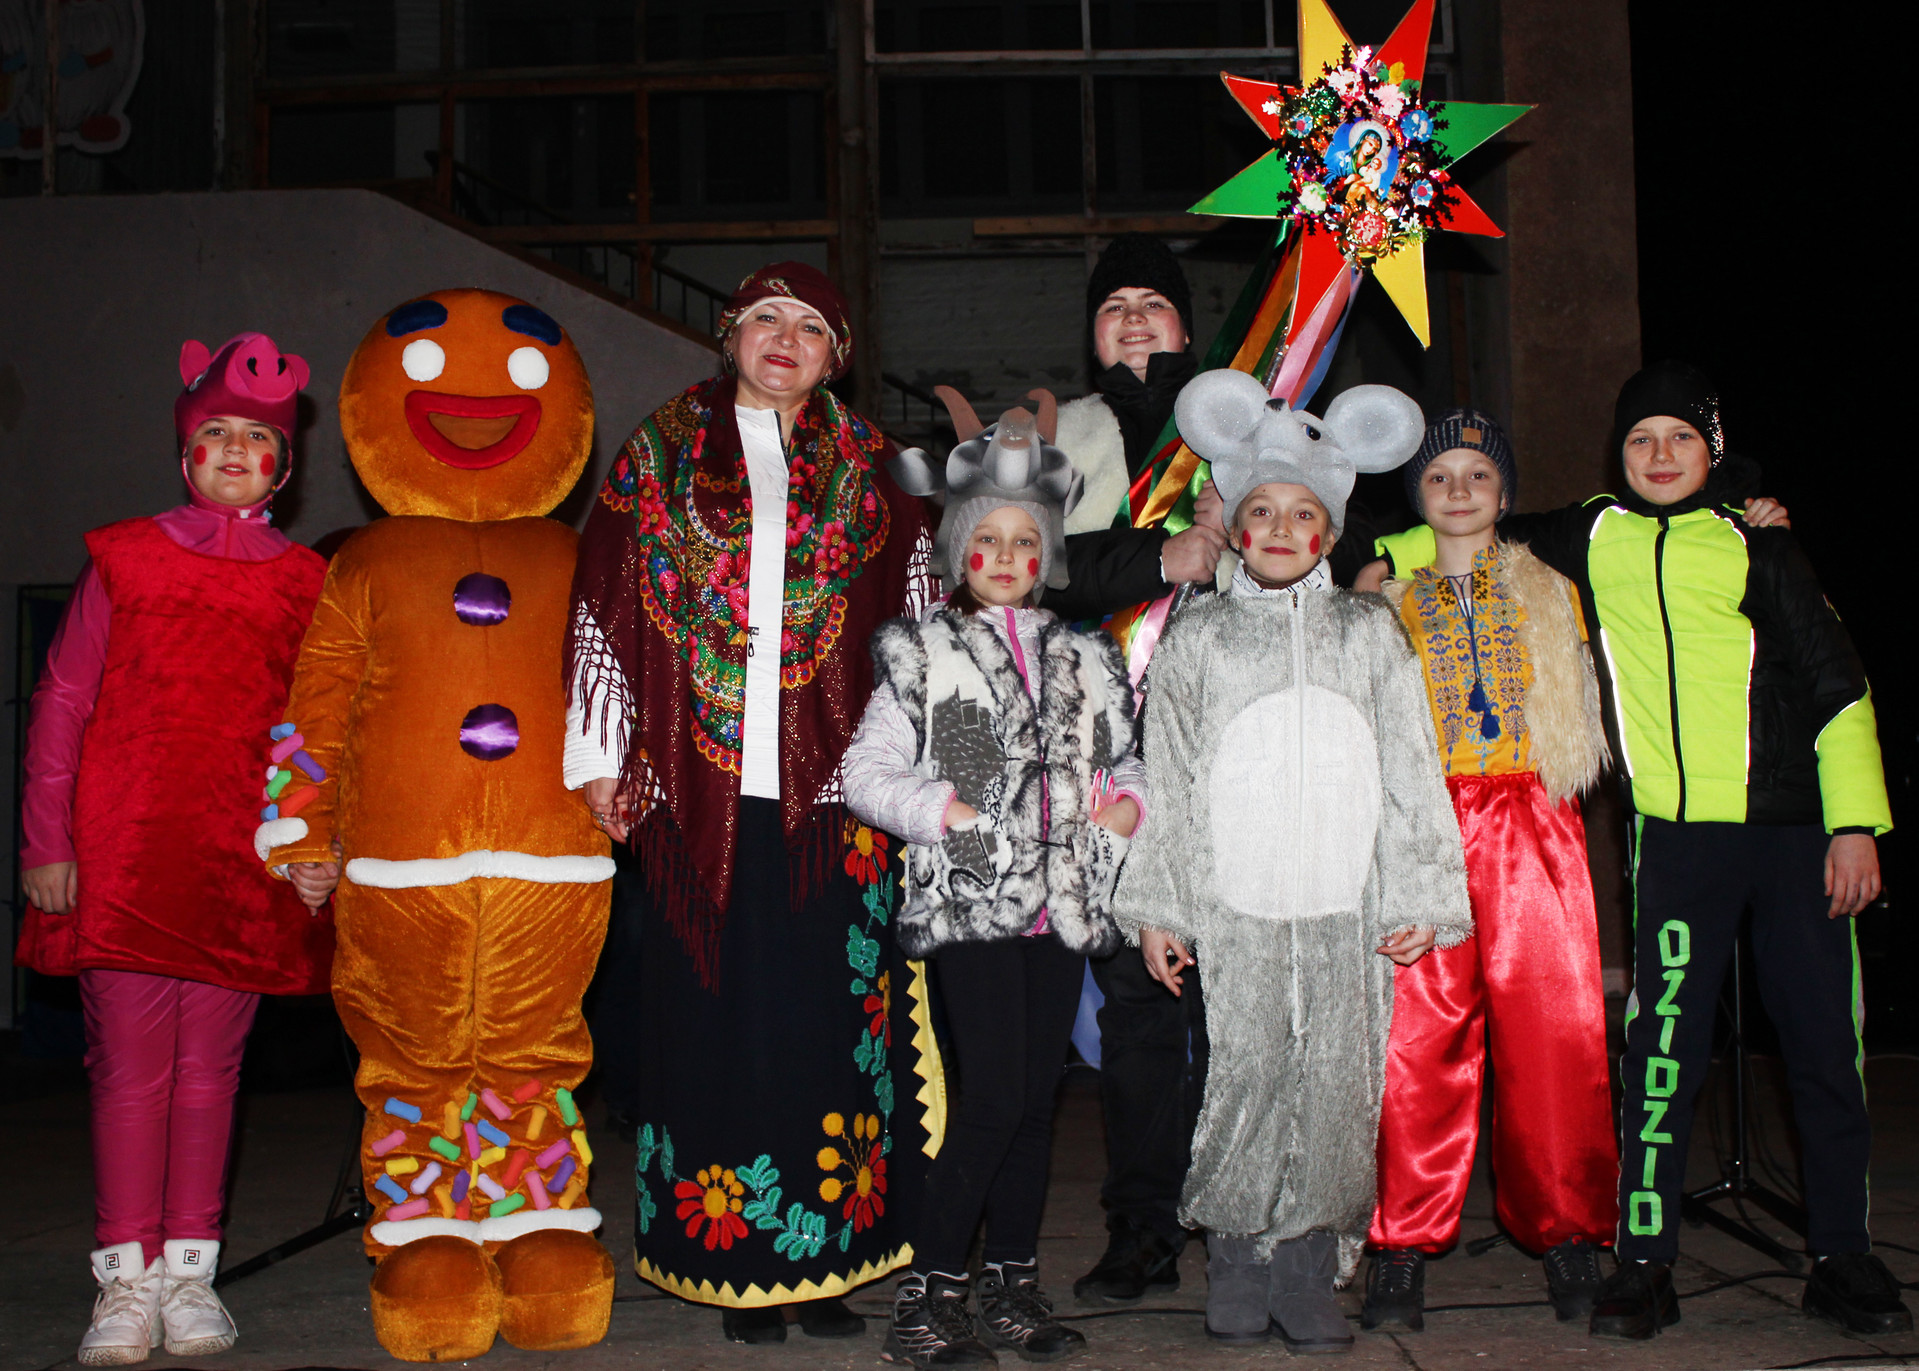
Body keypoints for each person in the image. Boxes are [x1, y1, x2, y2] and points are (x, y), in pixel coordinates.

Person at [1367, 361, 1900, 1341]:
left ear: (1711, 453)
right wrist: (1373, 558)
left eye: (1678, 441)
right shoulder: (1591, 534)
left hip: (1791, 837)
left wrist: (1853, 823)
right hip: (1674, 840)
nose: (1658, 457)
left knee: (1823, 1048)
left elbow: (1838, 689)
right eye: (1638, 441)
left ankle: (1843, 1255)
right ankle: (1643, 1262)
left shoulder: (1759, 549)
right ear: (1616, 457)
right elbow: (1464, 522)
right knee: (1659, 1056)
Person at [565, 262, 939, 1345]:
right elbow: (601, 600)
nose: (787, 338)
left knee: (831, 1028)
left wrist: (931, 774)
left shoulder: (874, 465)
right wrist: (598, 757)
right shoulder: (658, 451)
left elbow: (921, 625)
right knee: (714, 1028)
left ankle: (827, 1262)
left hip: (842, 797)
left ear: (838, 355)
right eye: (767, 318)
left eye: (812, 327)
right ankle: (728, 1260)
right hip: (697, 788)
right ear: (730, 334)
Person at [259, 291, 619, 1360]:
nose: (472, 401)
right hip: (397, 860)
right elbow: (312, 704)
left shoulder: (575, 558)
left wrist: (633, 786)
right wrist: (299, 832)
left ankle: (537, 1222)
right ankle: (426, 1231)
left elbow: (614, 690)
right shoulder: (362, 564)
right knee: (413, 1059)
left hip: (553, 862)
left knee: (535, 1051)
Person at [1114, 369, 1471, 1351]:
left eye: (1300, 512)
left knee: (1337, 1086)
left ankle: (1310, 1261)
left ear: (1329, 529)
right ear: (1231, 523)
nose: (1277, 527)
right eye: (1258, 509)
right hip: (1238, 904)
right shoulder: (1199, 639)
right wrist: (1158, 906)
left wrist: (1421, 896)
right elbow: (1171, 777)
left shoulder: (1369, 635)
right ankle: (1235, 1252)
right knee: (1244, 1077)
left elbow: (1409, 768)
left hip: (1345, 909)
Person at [17, 333, 333, 1366]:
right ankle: (124, 1279)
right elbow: (63, 699)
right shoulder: (124, 554)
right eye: (216, 435)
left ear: (284, 468)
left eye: (257, 439)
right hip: (126, 850)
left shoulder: (302, 580)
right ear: (183, 453)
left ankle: (191, 1277)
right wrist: (46, 840)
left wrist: (305, 843)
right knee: (128, 1073)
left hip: (236, 865)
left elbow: (309, 728)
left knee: (211, 1075)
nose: (236, 450)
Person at [845, 390, 1146, 1367]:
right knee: (991, 1101)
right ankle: (928, 1294)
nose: (1009, 558)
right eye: (989, 541)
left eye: (1027, 541)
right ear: (959, 549)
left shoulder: (1084, 655)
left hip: (1062, 909)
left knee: (1031, 1103)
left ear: (1046, 551)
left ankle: (1010, 1282)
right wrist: (944, 813)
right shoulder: (920, 653)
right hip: (973, 906)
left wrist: (1125, 806)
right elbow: (865, 775)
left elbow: (1129, 761)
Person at [1355, 410, 1617, 1331]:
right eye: (1439, 476)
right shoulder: (1384, 604)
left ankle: (1571, 1229)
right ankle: (1398, 1238)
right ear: (1415, 498)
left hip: (1533, 819)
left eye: (1477, 474)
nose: (1459, 489)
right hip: (1426, 824)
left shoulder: (1554, 585)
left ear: (1505, 493)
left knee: (1556, 1030)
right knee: (1415, 1037)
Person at [1055, 232, 1228, 1307]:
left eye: (1150, 303)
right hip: (1105, 753)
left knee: (1243, 999)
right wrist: (1158, 557)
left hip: (1227, 744)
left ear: (1183, 323)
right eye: (1111, 303)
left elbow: (1305, 532)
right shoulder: (1059, 433)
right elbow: (1020, 557)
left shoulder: (1233, 419)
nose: (1129, 317)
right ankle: (1143, 1228)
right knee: (1136, 1003)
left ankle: (1252, 1218)